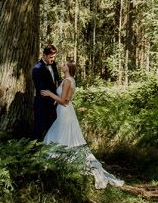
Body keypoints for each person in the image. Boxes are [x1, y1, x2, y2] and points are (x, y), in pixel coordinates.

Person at [41, 59, 124, 190]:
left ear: (68, 68)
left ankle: (58, 163)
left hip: (64, 112)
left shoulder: (68, 81)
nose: (62, 66)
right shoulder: (70, 80)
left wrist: (49, 93)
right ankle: (60, 162)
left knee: (56, 135)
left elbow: (63, 101)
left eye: (64, 65)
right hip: (65, 111)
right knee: (60, 135)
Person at [31, 44, 59, 141]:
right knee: (39, 130)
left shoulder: (54, 65)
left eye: (54, 57)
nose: (53, 59)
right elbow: (41, 90)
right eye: (51, 57)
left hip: (54, 104)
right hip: (42, 105)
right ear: (44, 55)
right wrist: (54, 98)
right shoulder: (37, 69)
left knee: (52, 130)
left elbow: (57, 80)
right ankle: (33, 153)